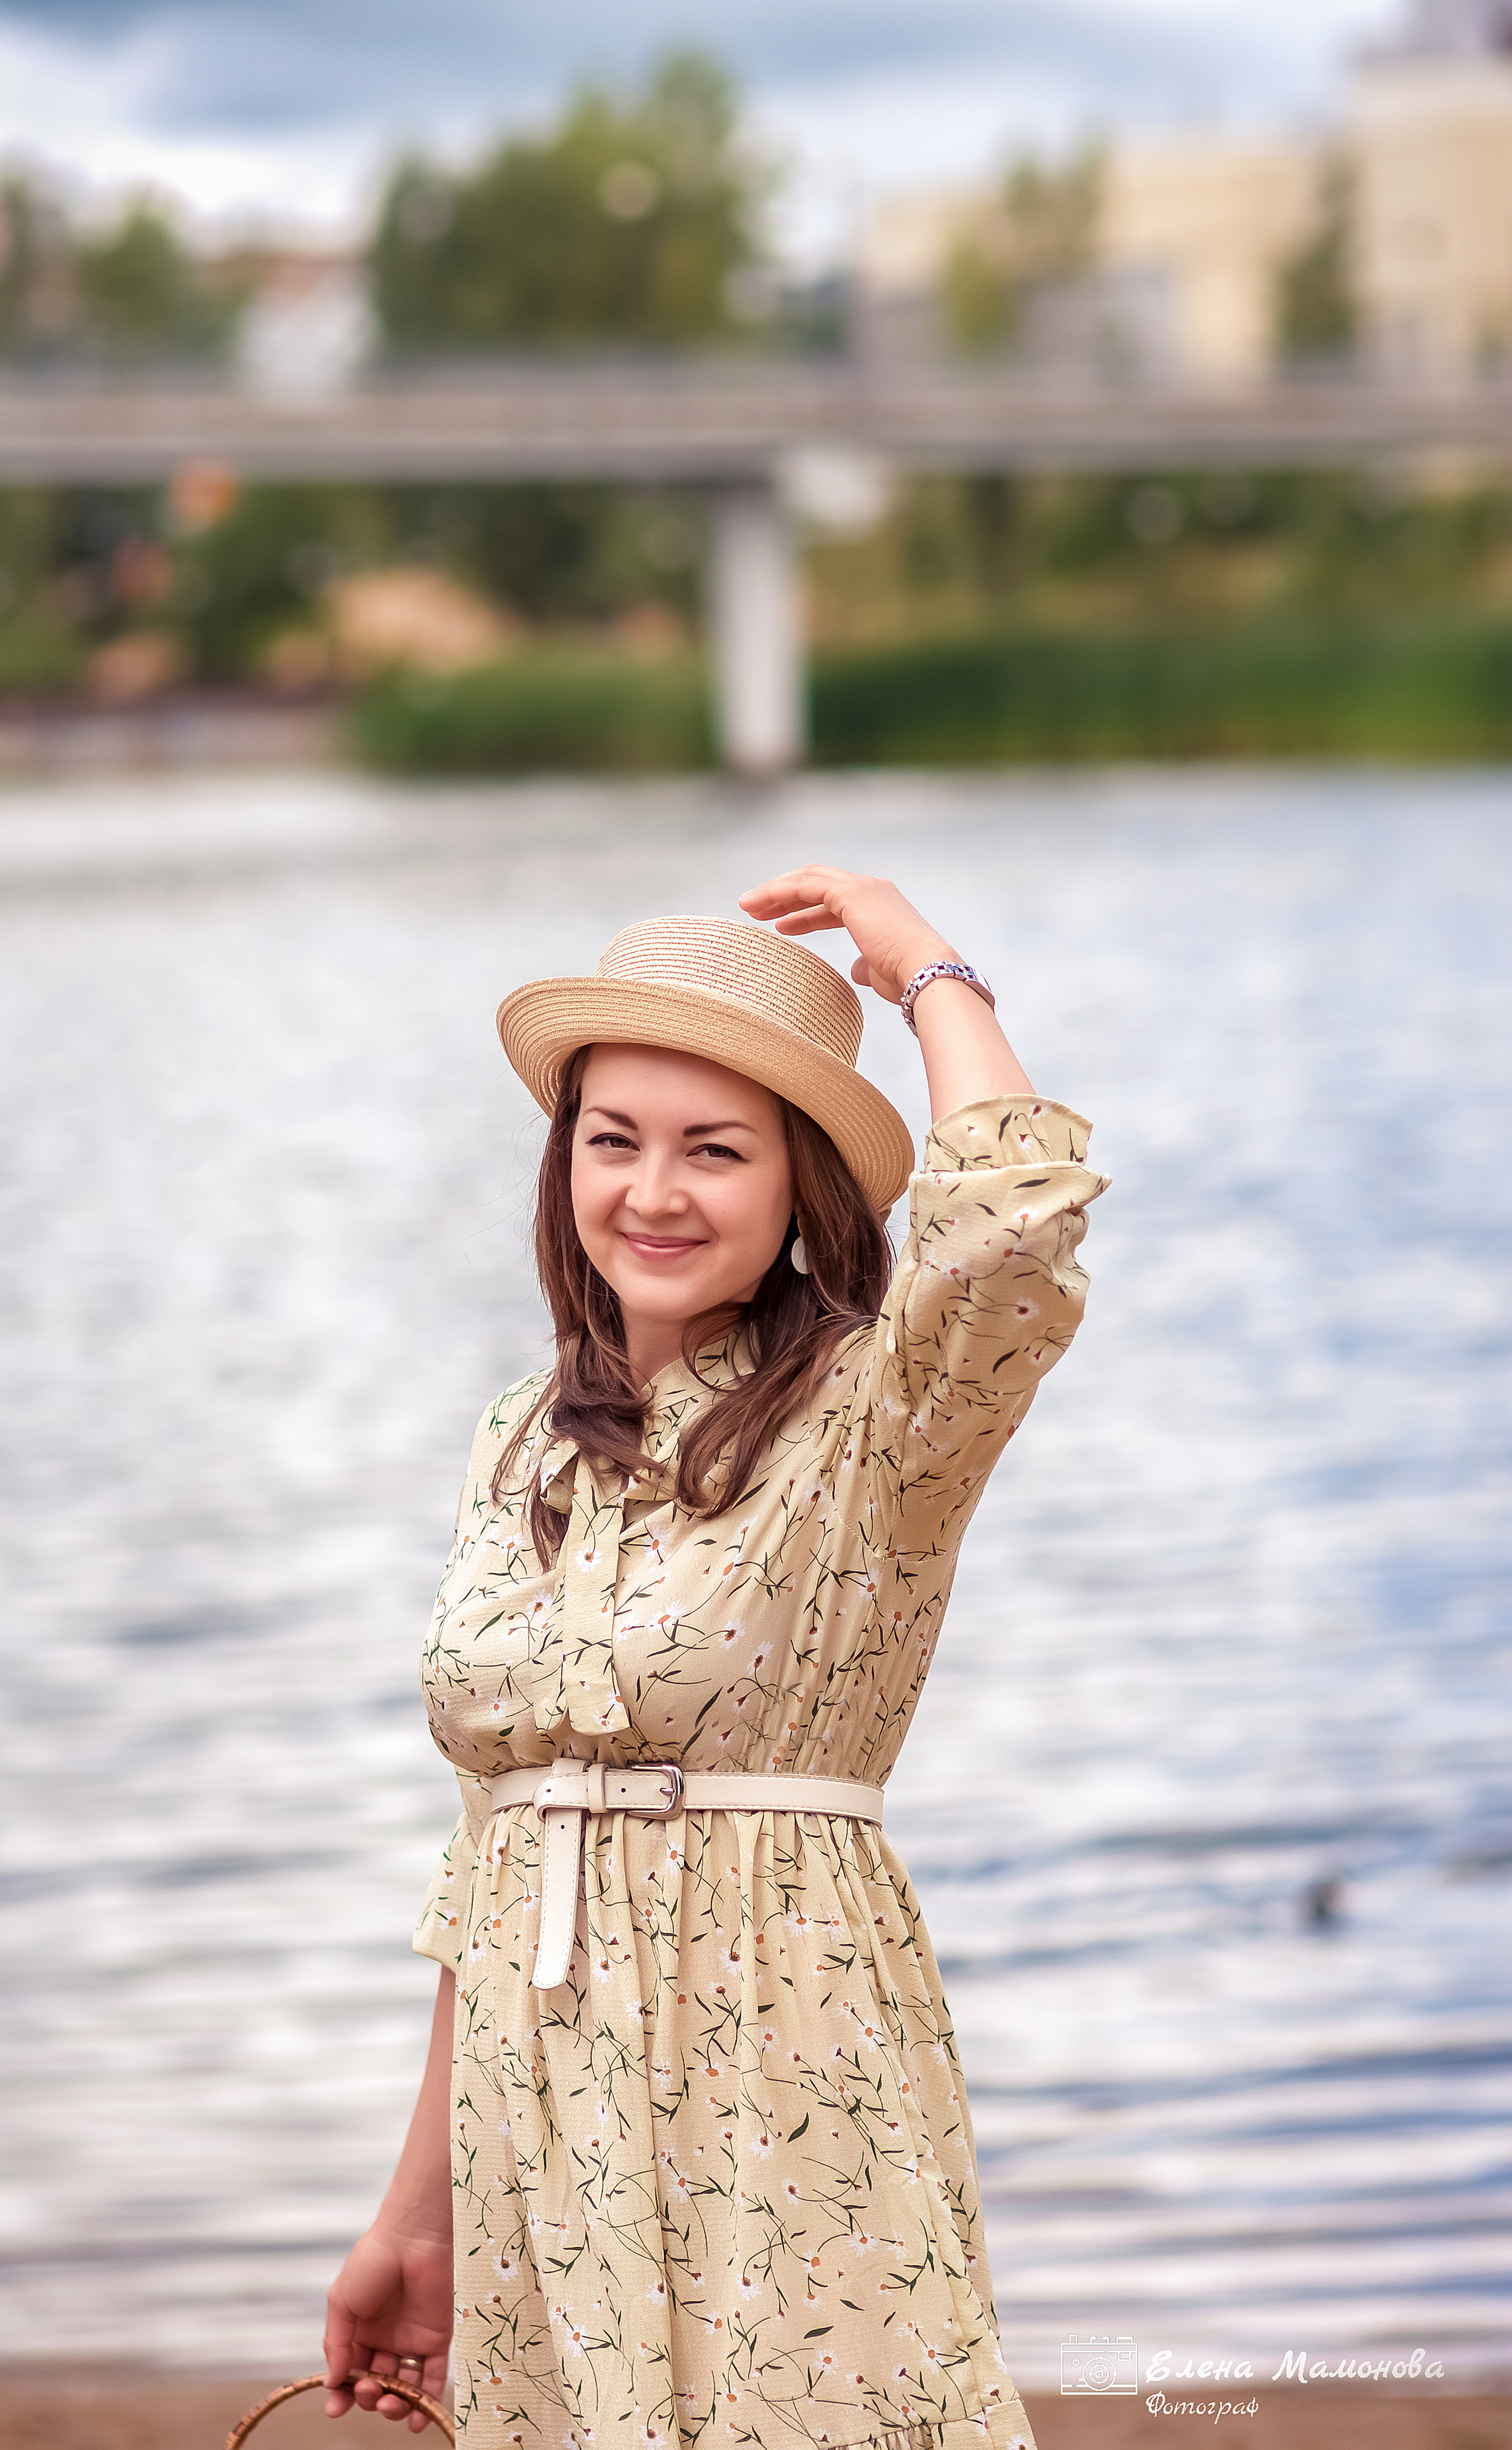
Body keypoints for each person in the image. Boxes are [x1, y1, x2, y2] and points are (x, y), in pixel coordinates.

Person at [323, 867, 1107, 2450]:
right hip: (537, 2113)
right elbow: (498, 1852)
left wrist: (926, 970)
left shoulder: (882, 1418)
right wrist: (419, 2216)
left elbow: (1010, 1232)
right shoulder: (519, 1442)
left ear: (797, 1187)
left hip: (781, 2056)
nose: (651, 1192)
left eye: (713, 1150)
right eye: (611, 1143)